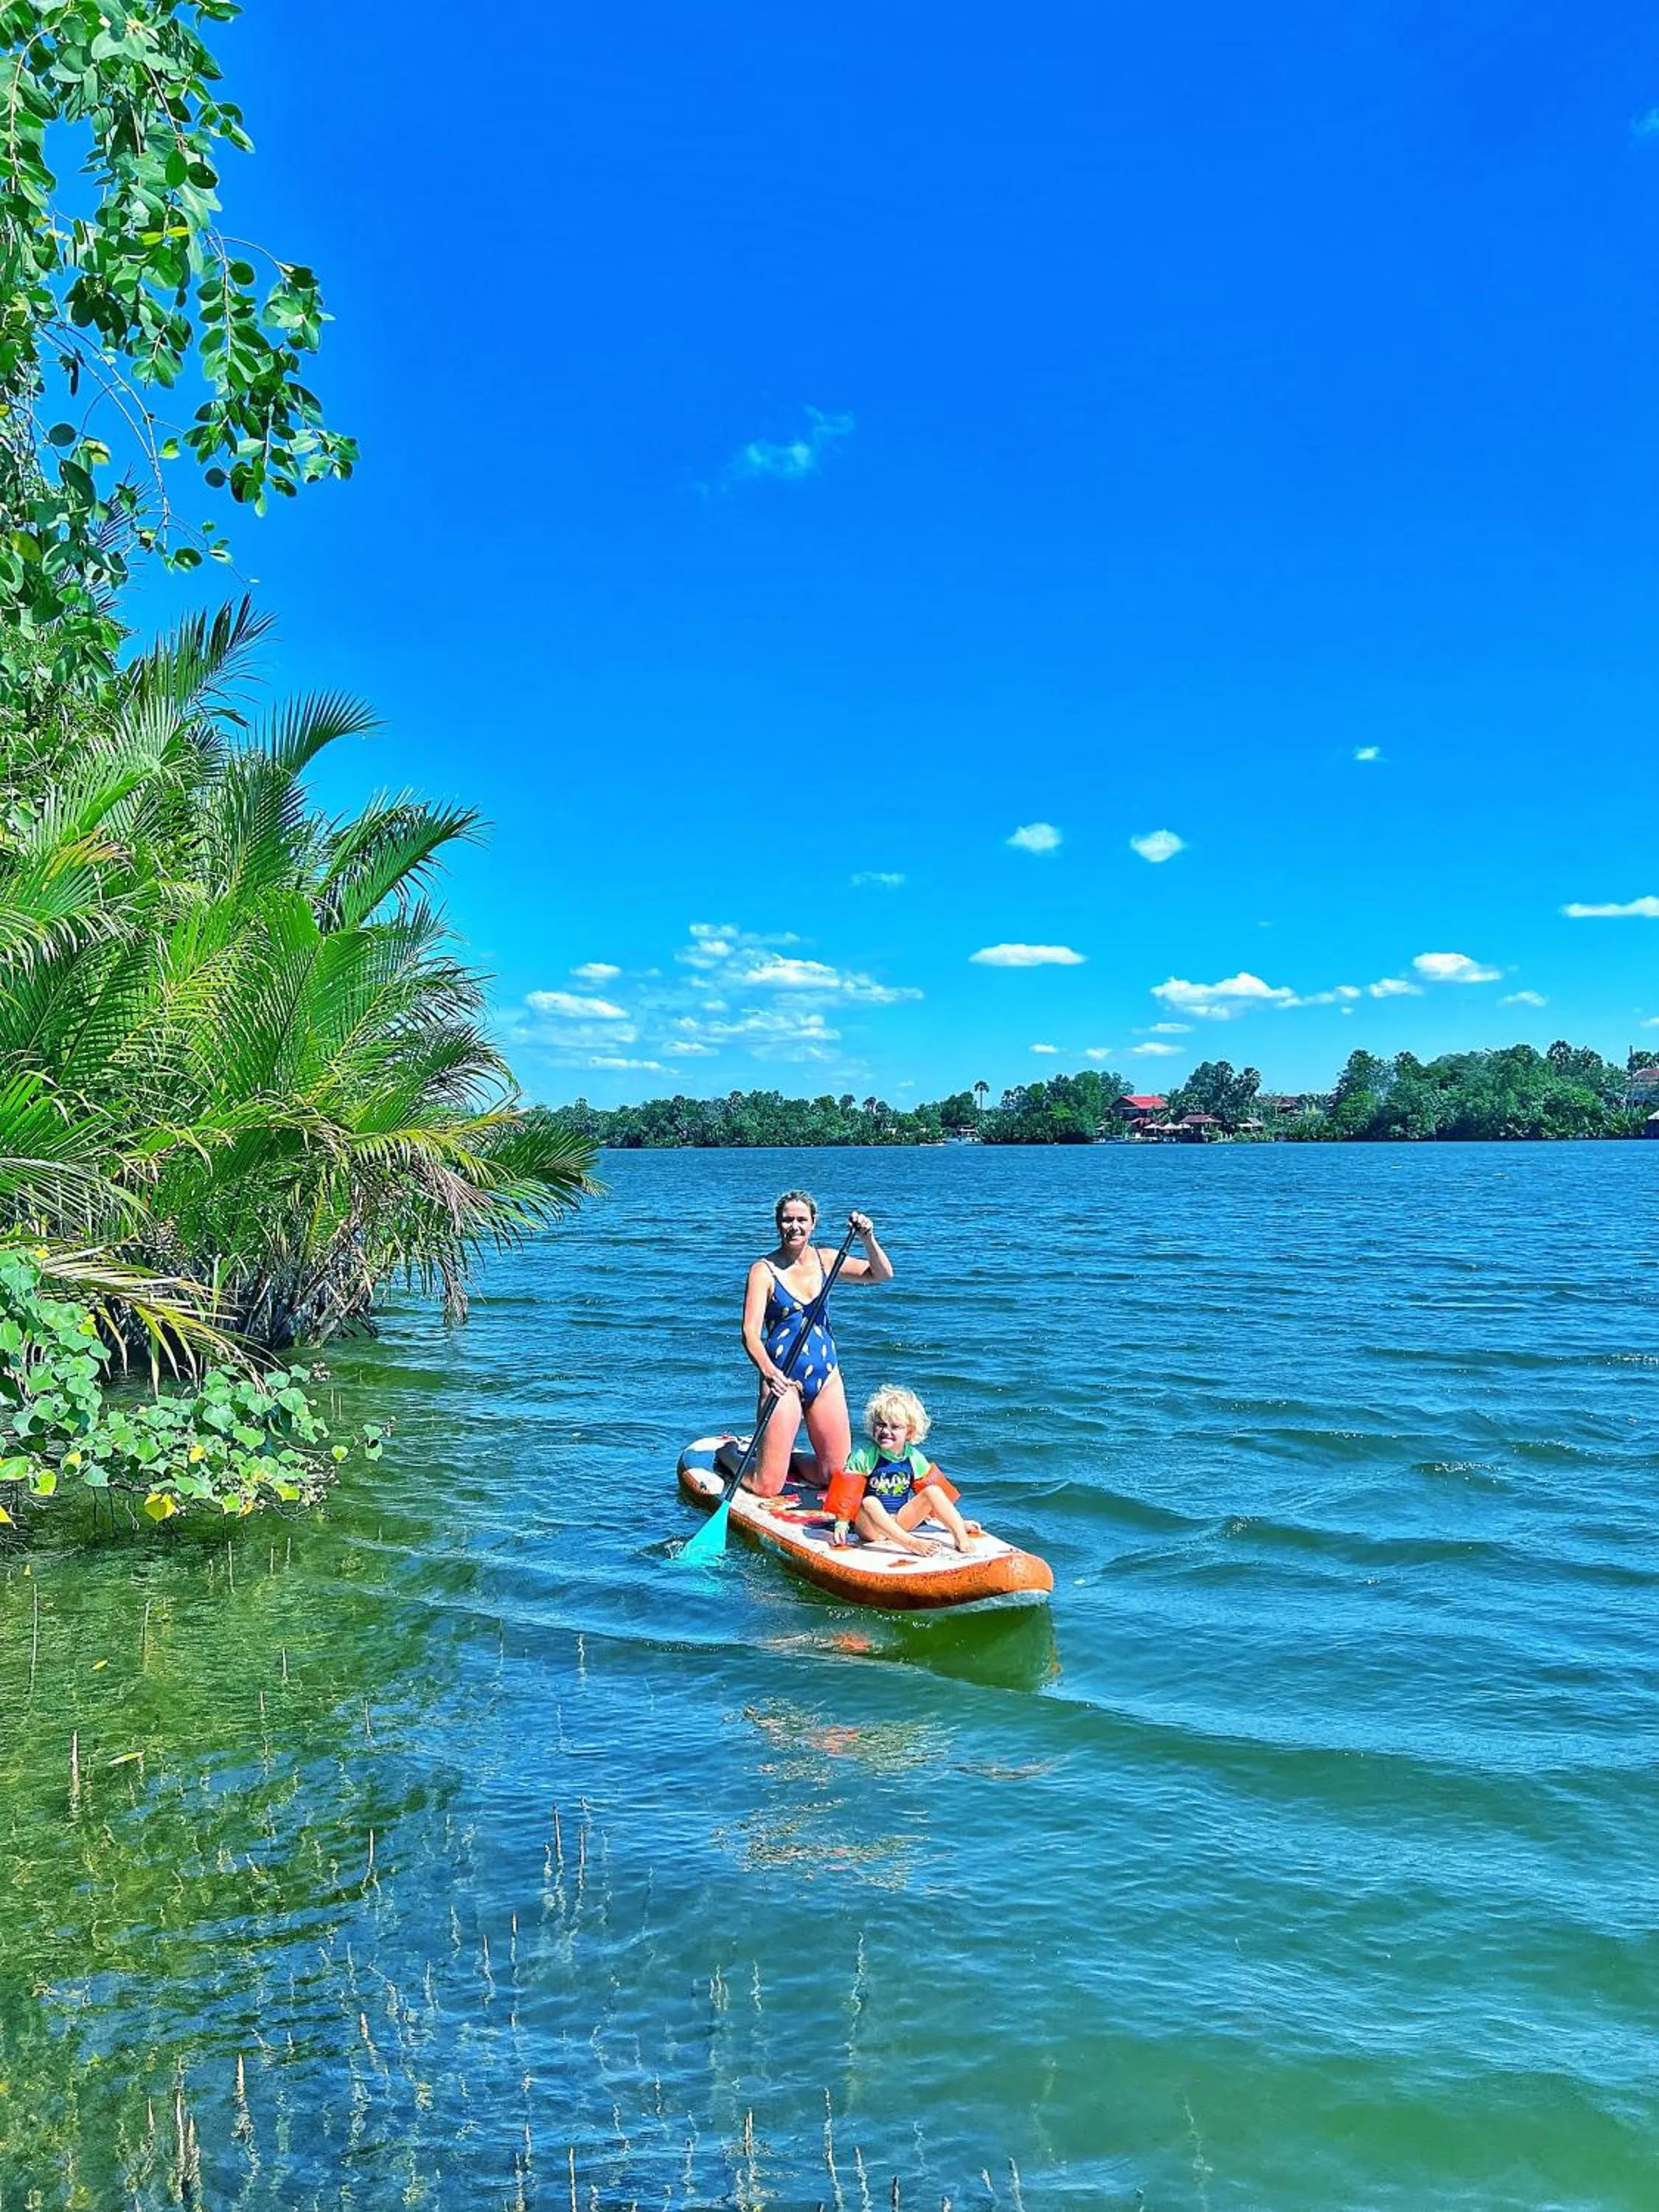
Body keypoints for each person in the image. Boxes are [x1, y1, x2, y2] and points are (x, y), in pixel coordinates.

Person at [740, 1191, 892, 1497]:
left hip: (826, 1377)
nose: (794, 1226)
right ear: (777, 1224)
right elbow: (749, 1334)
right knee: (767, 1487)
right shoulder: (764, 1270)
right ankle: (732, 1457)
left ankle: (789, 1459)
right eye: (787, 1220)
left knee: (832, 1476)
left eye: (801, 1220)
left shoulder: (827, 1260)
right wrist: (769, 1373)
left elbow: (881, 1274)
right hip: (782, 1379)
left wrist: (867, 1238)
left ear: (813, 1223)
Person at [826, 1385, 977, 1554]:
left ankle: (961, 1537)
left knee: (933, 1491)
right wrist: (841, 1523)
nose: (885, 1431)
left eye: (895, 1427)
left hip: (900, 1522)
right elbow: (848, 1492)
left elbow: (936, 1499)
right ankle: (911, 1543)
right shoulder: (864, 1456)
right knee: (870, 1502)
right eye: (881, 1425)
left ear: (909, 1432)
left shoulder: (914, 1458)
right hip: (870, 1528)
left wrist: (957, 1522)